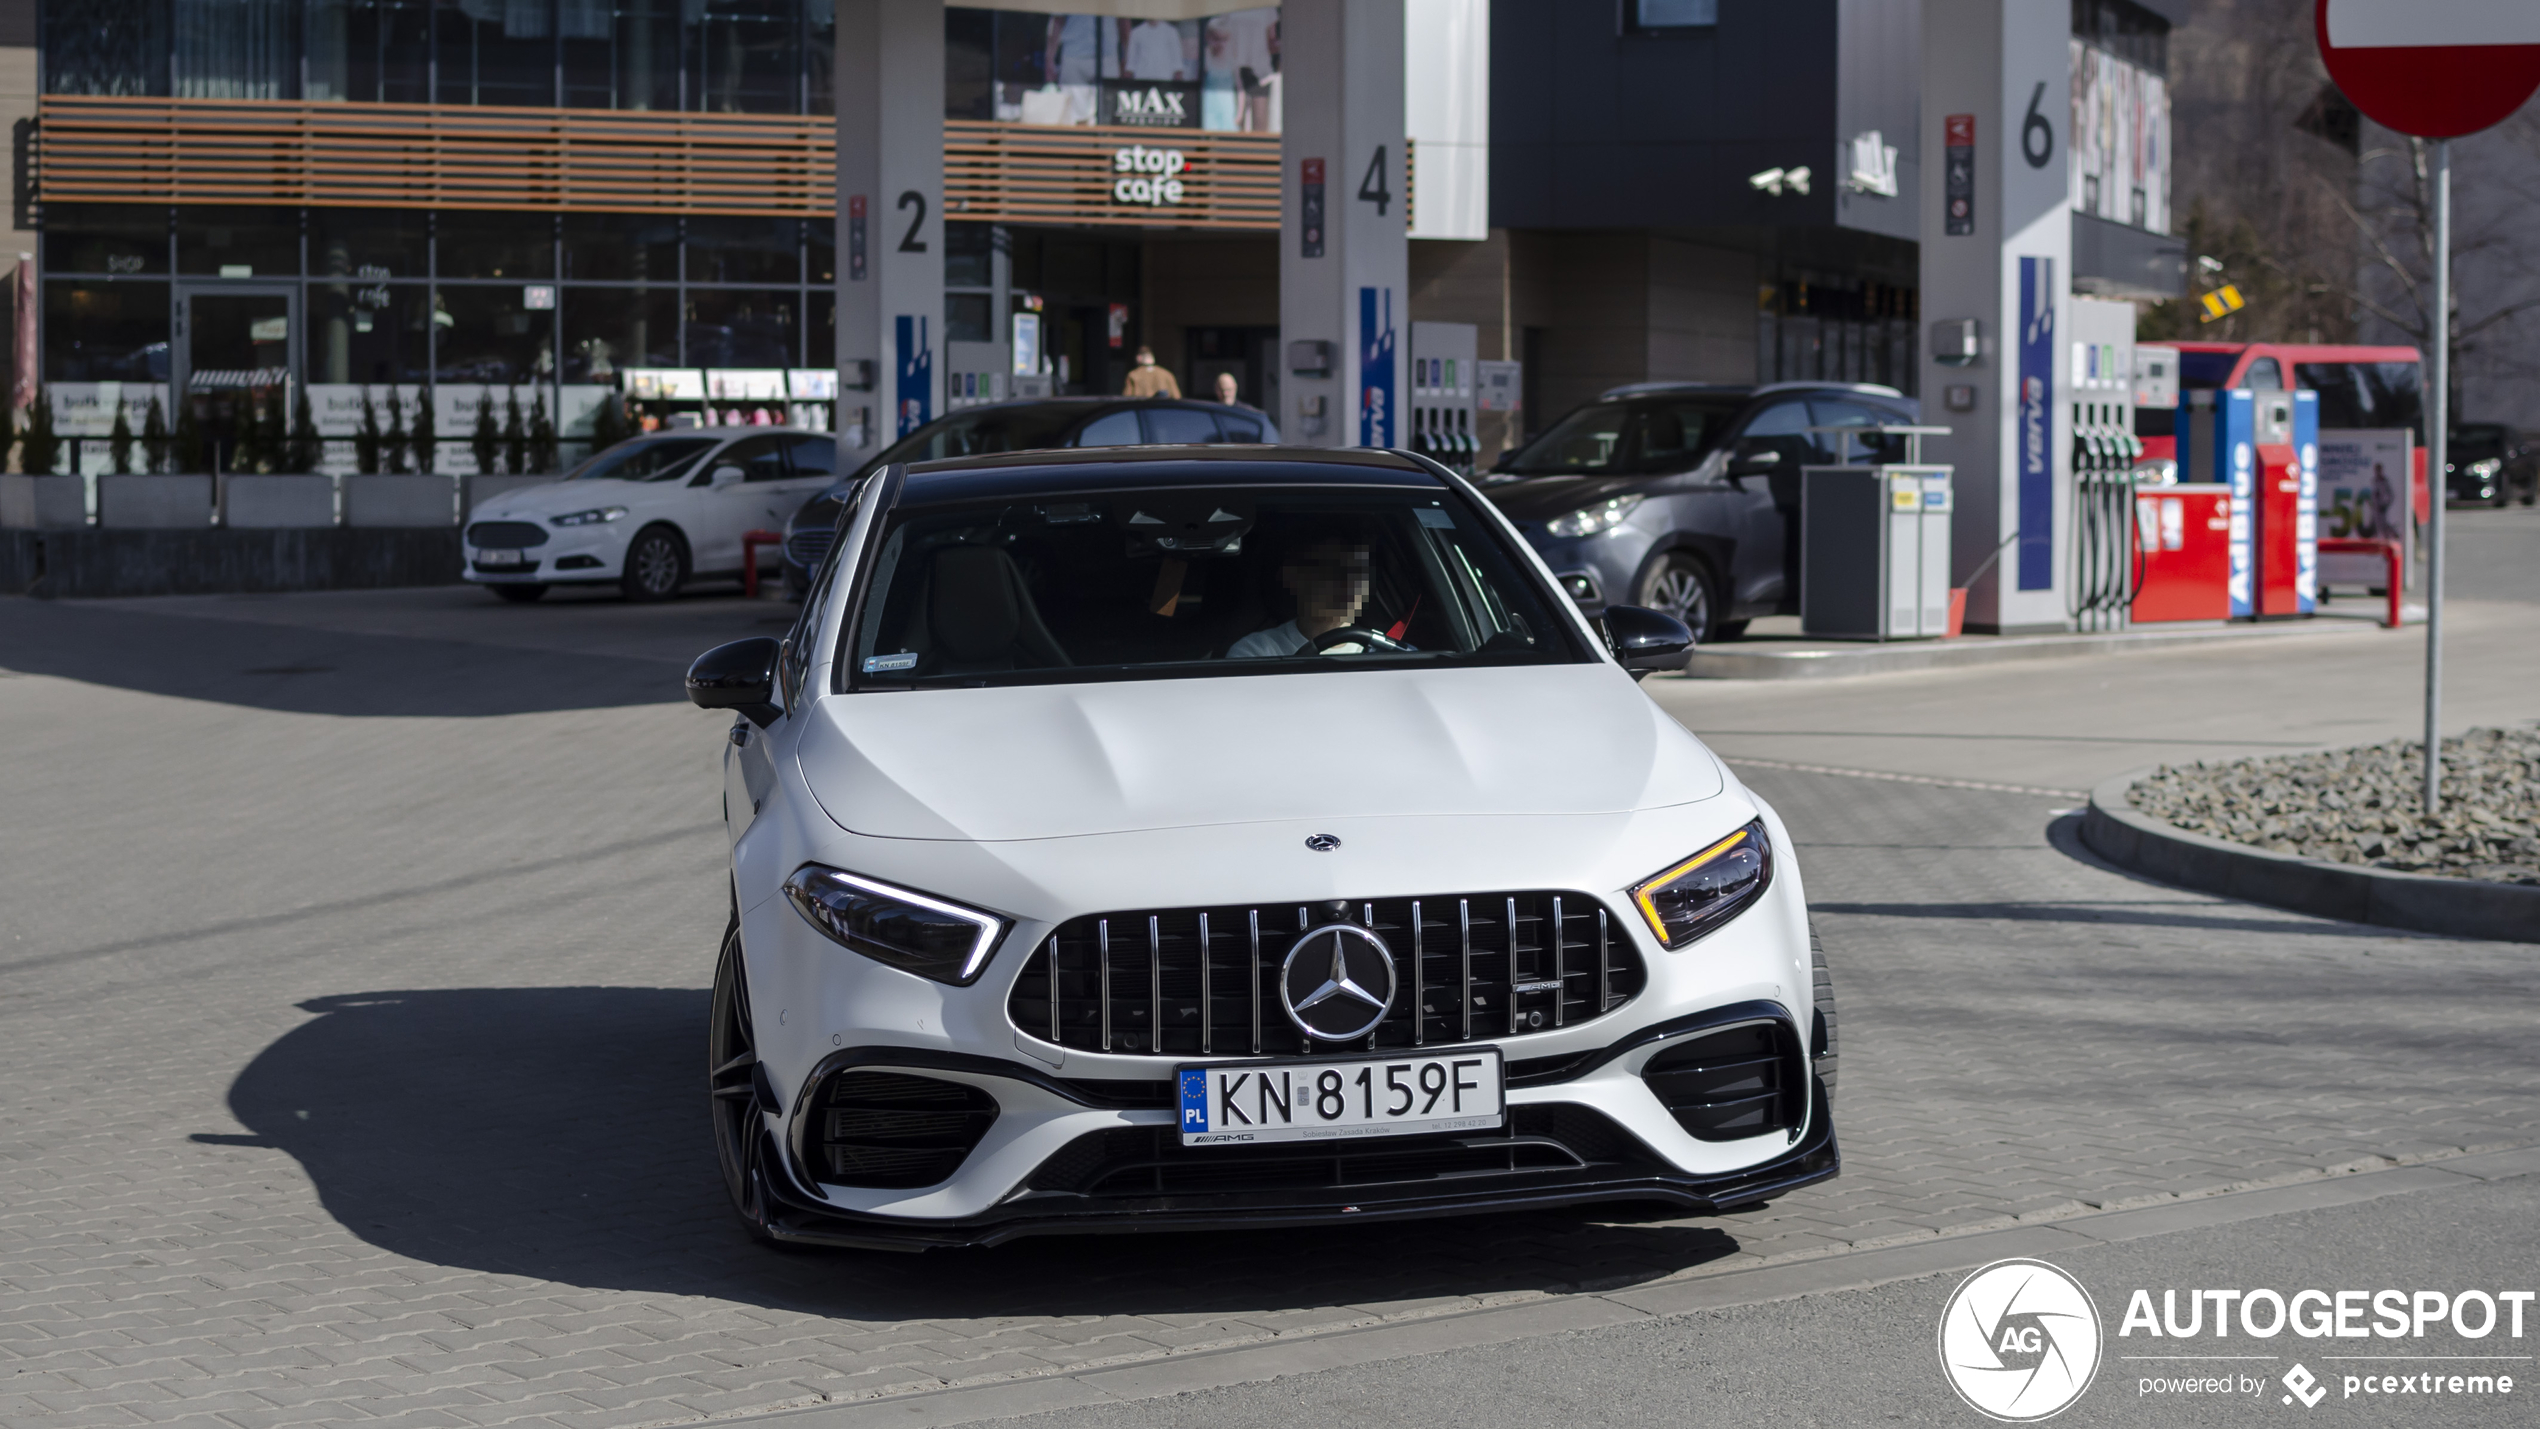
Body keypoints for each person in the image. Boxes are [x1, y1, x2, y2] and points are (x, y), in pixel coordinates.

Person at [1228, 531, 1372, 657]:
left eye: (1355, 572)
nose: (1347, 582)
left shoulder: (1381, 648)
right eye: (1331, 571)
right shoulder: (1256, 651)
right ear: (1294, 578)